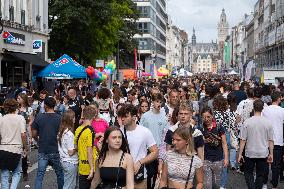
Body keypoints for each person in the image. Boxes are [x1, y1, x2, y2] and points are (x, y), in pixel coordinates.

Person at [117, 104, 158, 189]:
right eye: (121, 116)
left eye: (126, 116)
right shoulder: (117, 132)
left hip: (139, 177)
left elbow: (155, 152)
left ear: (134, 117)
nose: (122, 118)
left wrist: (140, 162)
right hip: (121, 175)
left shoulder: (144, 131)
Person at [238, 99, 274, 189]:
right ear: (262, 109)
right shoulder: (268, 123)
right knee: (260, 174)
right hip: (263, 152)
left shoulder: (247, 122)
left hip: (250, 152)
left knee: (248, 172)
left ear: (253, 108)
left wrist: (239, 154)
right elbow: (271, 140)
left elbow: (243, 140)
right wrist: (271, 154)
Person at [32, 97, 64, 189]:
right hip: (56, 149)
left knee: (40, 175)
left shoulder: (39, 117)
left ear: (45, 106)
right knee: (59, 173)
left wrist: (38, 141)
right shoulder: (59, 118)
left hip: (43, 149)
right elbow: (62, 134)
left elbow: (34, 134)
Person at [140, 93, 169, 188]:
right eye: (157, 101)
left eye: (160, 102)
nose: (159, 104)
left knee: (158, 173)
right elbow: (141, 132)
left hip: (160, 150)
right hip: (148, 150)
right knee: (149, 173)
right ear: (152, 102)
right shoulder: (145, 116)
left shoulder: (164, 118)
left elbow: (165, 135)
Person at [0, 99, 27, 189]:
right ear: (16, 107)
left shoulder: (2, 119)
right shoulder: (20, 118)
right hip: (16, 148)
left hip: (3, 148)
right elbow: (23, 134)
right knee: (17, 173)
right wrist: (25, 147)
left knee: (4, 175)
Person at [201, 107, 229, 189]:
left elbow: (224, 143)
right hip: (206, 159)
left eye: (208, 117)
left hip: (218, 159)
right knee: (207, 185)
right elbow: (199, 145)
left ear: (212, 116)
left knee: (217, 184)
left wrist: (226, 158)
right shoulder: (200, 128)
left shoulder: (219, 127)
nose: (206, 119)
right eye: (204, 117)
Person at [262, 91, 284, 189]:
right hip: (278, 140)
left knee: (266, 163)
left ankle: (264, 183)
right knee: (276, 165)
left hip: (266, 140)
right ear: (279, 99)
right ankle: (274, 185)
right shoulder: (282, 111)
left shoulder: (265, 110)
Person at [74, 106, 98, 189]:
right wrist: (92, 168)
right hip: (90, 165)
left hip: (81, 164)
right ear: (94, 116)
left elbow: (76, 146)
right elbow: (89, 151)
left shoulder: (78, 129)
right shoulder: (90, 131)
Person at [58, 110, 78, 189]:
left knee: (68, 184)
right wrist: (77, 147)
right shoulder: (69, 134)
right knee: (69, 186)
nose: (75, 119)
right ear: (70, 119)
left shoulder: (61, 131)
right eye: (73, 117)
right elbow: (70, 152)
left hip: (64, 160)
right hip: (70, 161)